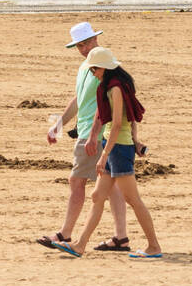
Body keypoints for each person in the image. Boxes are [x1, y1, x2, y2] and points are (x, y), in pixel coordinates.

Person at [54, 46, 162, 260]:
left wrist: (105, 155)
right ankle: (79, 245)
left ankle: (154, 246)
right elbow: (126, 119)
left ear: (103, 68)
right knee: (97, 196)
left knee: (133, 199)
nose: (93, 73)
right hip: (115, 146)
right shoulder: (109, 85)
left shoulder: (115, 89)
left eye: (95, 69)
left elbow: (118, 124)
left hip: (119, 150)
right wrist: (135, 140)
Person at [38, 23, 131, 252]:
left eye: (84, 43)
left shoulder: (102, 66)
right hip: (93, 131)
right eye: (78, 45)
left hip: (94, 133)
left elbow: (103, 101)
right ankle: (121, 237)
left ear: (94, 39)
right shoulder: (85, 67)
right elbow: (78, 99)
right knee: (112, 186)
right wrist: (60, 124)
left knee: (77, 181)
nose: (81, 49)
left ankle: (65, 233)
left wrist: (92, 134)